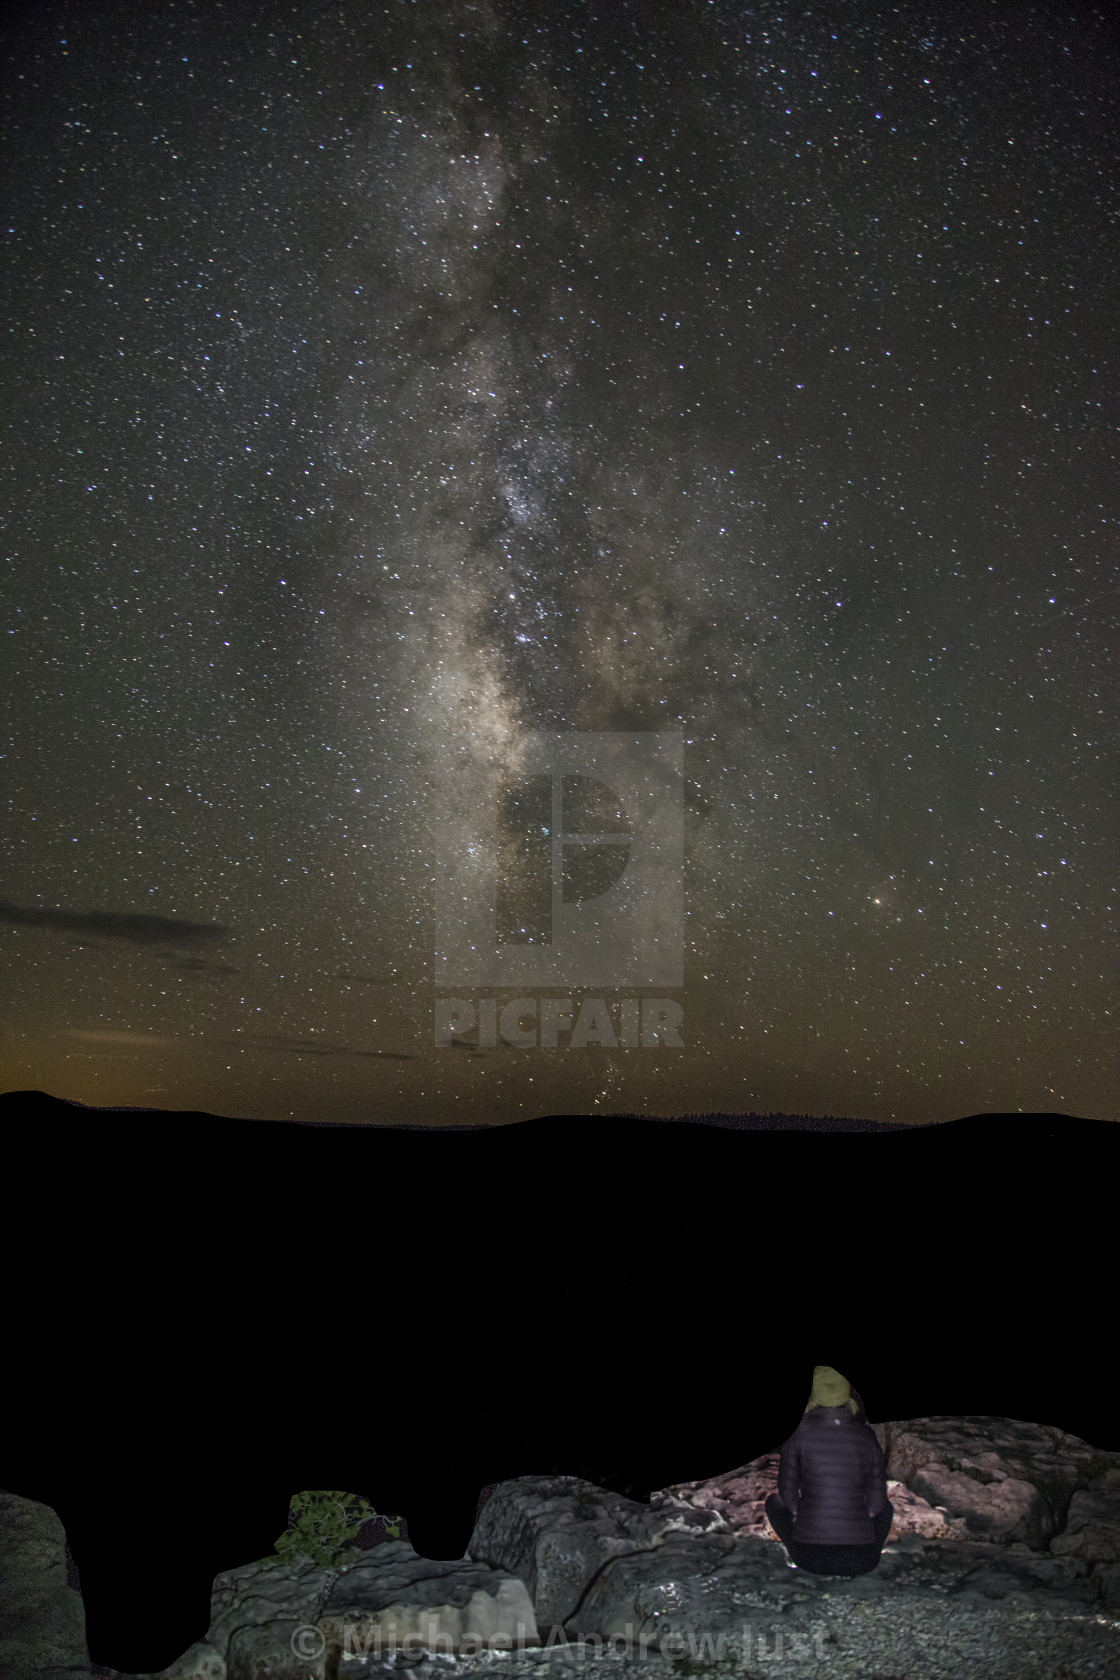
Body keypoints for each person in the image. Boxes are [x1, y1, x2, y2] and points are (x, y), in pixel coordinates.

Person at [763, 1365, 893, 1576]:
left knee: (773, 1502)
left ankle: (792, 1553)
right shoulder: (866, 1435)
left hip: (809, 1558)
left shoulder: (798, 1435)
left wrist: (799, 1513)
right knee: (887, 1508)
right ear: (847, 1396)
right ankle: (875, 1549)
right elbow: (878, 1503)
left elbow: (786, 1494)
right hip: (862, 1560)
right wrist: (861, 1518)